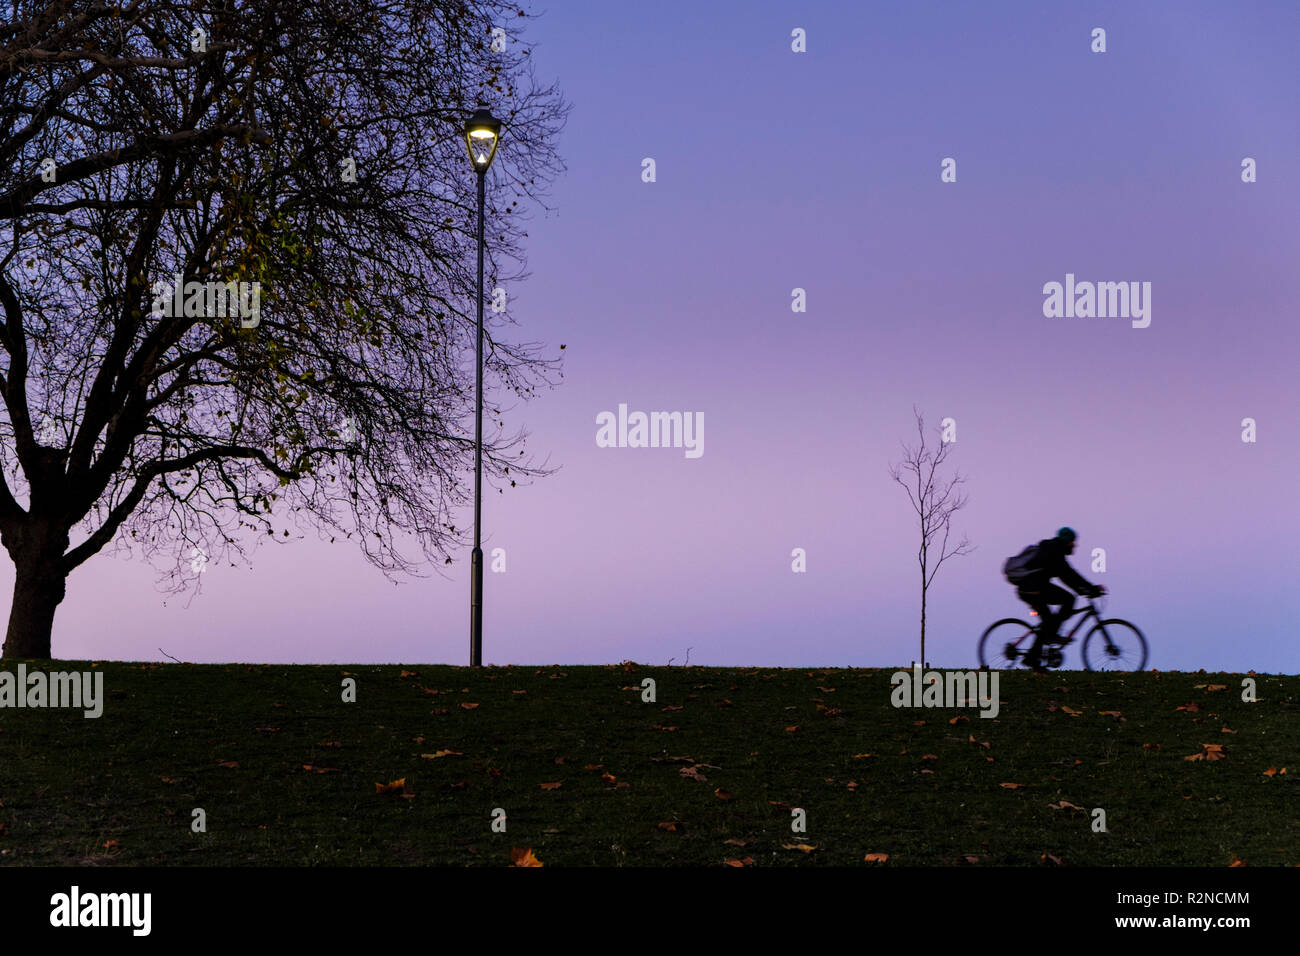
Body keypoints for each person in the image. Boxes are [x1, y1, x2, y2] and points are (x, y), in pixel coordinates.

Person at [1004, 527, 1105, 672]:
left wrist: (1087, 589)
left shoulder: (1053, 550)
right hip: (1031, 589)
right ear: (1067, 542)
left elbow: (1069, 576)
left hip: (1035, 588)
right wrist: (1090, 589)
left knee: (1051, 619)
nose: (1074, 546)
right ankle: (1040, 649)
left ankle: (1037, 652)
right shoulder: (1054, 552)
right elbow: (1068, 575)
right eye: (1072, 542)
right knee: (1066, 602)